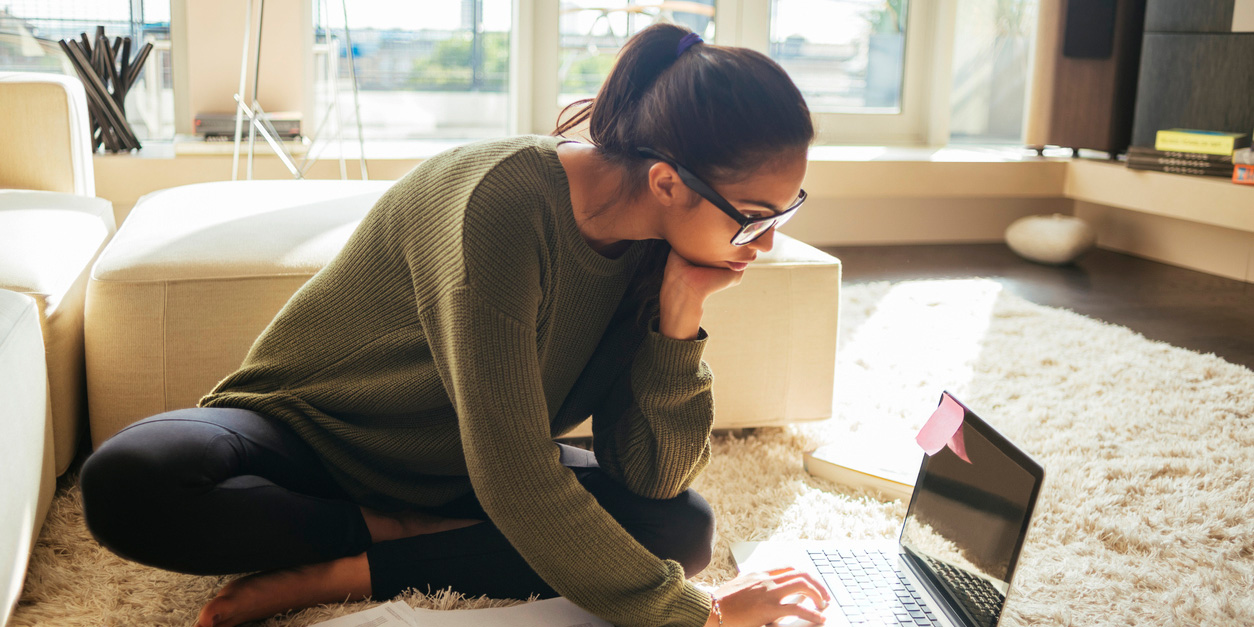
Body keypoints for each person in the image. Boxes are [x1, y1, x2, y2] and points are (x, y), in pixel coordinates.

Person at [78, 23, 829, 627]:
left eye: (785, 214)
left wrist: (679, 322)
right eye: (755, 220)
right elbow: (516, 478)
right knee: (128, 481)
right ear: (667, 182)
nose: (765, 246)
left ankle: (352, 567)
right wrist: (696, 615)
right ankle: (391, 532)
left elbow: (650, 477)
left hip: (462, 471)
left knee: (682, 527)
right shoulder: (503, 203)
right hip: (317, 435)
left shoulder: (659, 253)